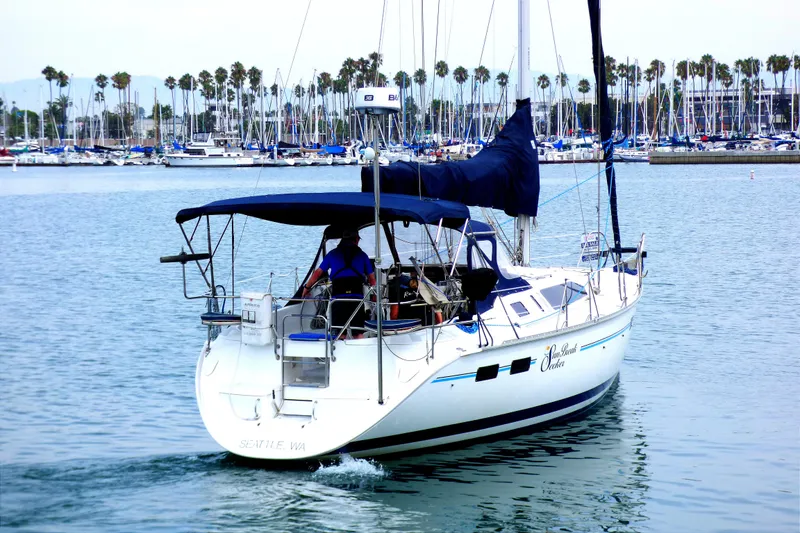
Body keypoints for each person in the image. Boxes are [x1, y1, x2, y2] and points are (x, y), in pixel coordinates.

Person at [302, 229, 376, 338]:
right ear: (356, 239)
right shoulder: (362, 256)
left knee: (340, 333)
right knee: (358, 333)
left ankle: (338, 351)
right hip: (356, 300)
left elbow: (317, 273)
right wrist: (374, 296)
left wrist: (306, 288)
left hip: (338, 299)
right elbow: (372, 279)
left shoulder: (332, 254)